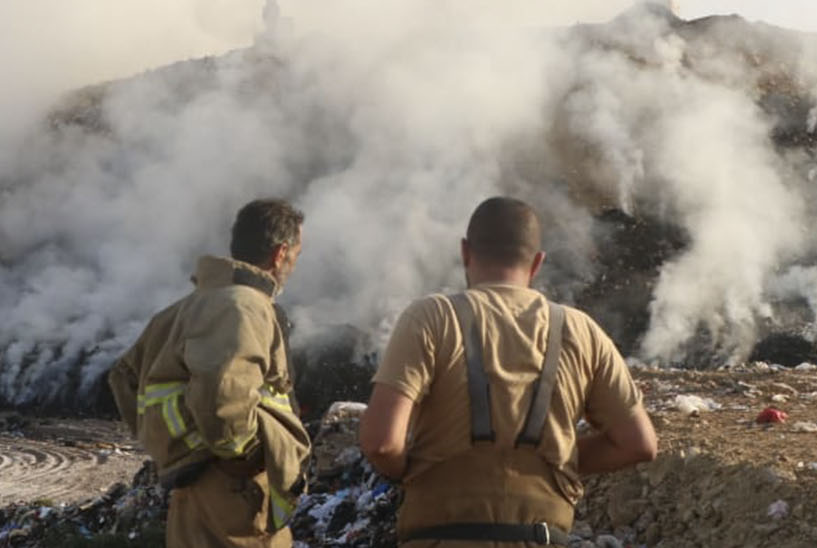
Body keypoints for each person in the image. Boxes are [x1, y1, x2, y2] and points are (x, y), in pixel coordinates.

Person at [359, 196, 658, 545]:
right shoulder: (581, 330)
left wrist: (410, 471)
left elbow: (381, 443)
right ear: (537, 263)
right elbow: (639, 443)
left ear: (465, 253)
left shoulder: (430, 318)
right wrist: (559, 460)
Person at [108, 198, 310, 548]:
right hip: (235, 494)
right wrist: (240, 458)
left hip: (194, 491)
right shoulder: (244, 306)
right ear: (280, 254)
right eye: (296, 255)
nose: (293, 264)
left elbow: (124, 379)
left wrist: (177, 449)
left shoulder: (183, 309)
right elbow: (223, 396)